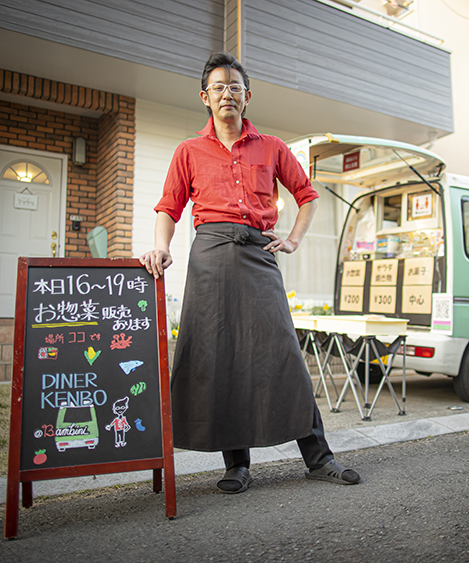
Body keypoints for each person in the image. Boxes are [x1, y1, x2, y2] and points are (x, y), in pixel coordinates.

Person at [139, 51, 359, 494]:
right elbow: (169, 207)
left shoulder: (273, 147)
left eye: (234, 87)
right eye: (218, 87)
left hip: (259, 253)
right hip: (211, 256)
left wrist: (293, 239)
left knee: (283, 352)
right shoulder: (188, 151)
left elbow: (307, 195)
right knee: (221, 357)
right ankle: (236, 465)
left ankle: (319, 458)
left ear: (247, 96)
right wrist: (160, 248)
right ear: (205, 97)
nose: (227, 94)